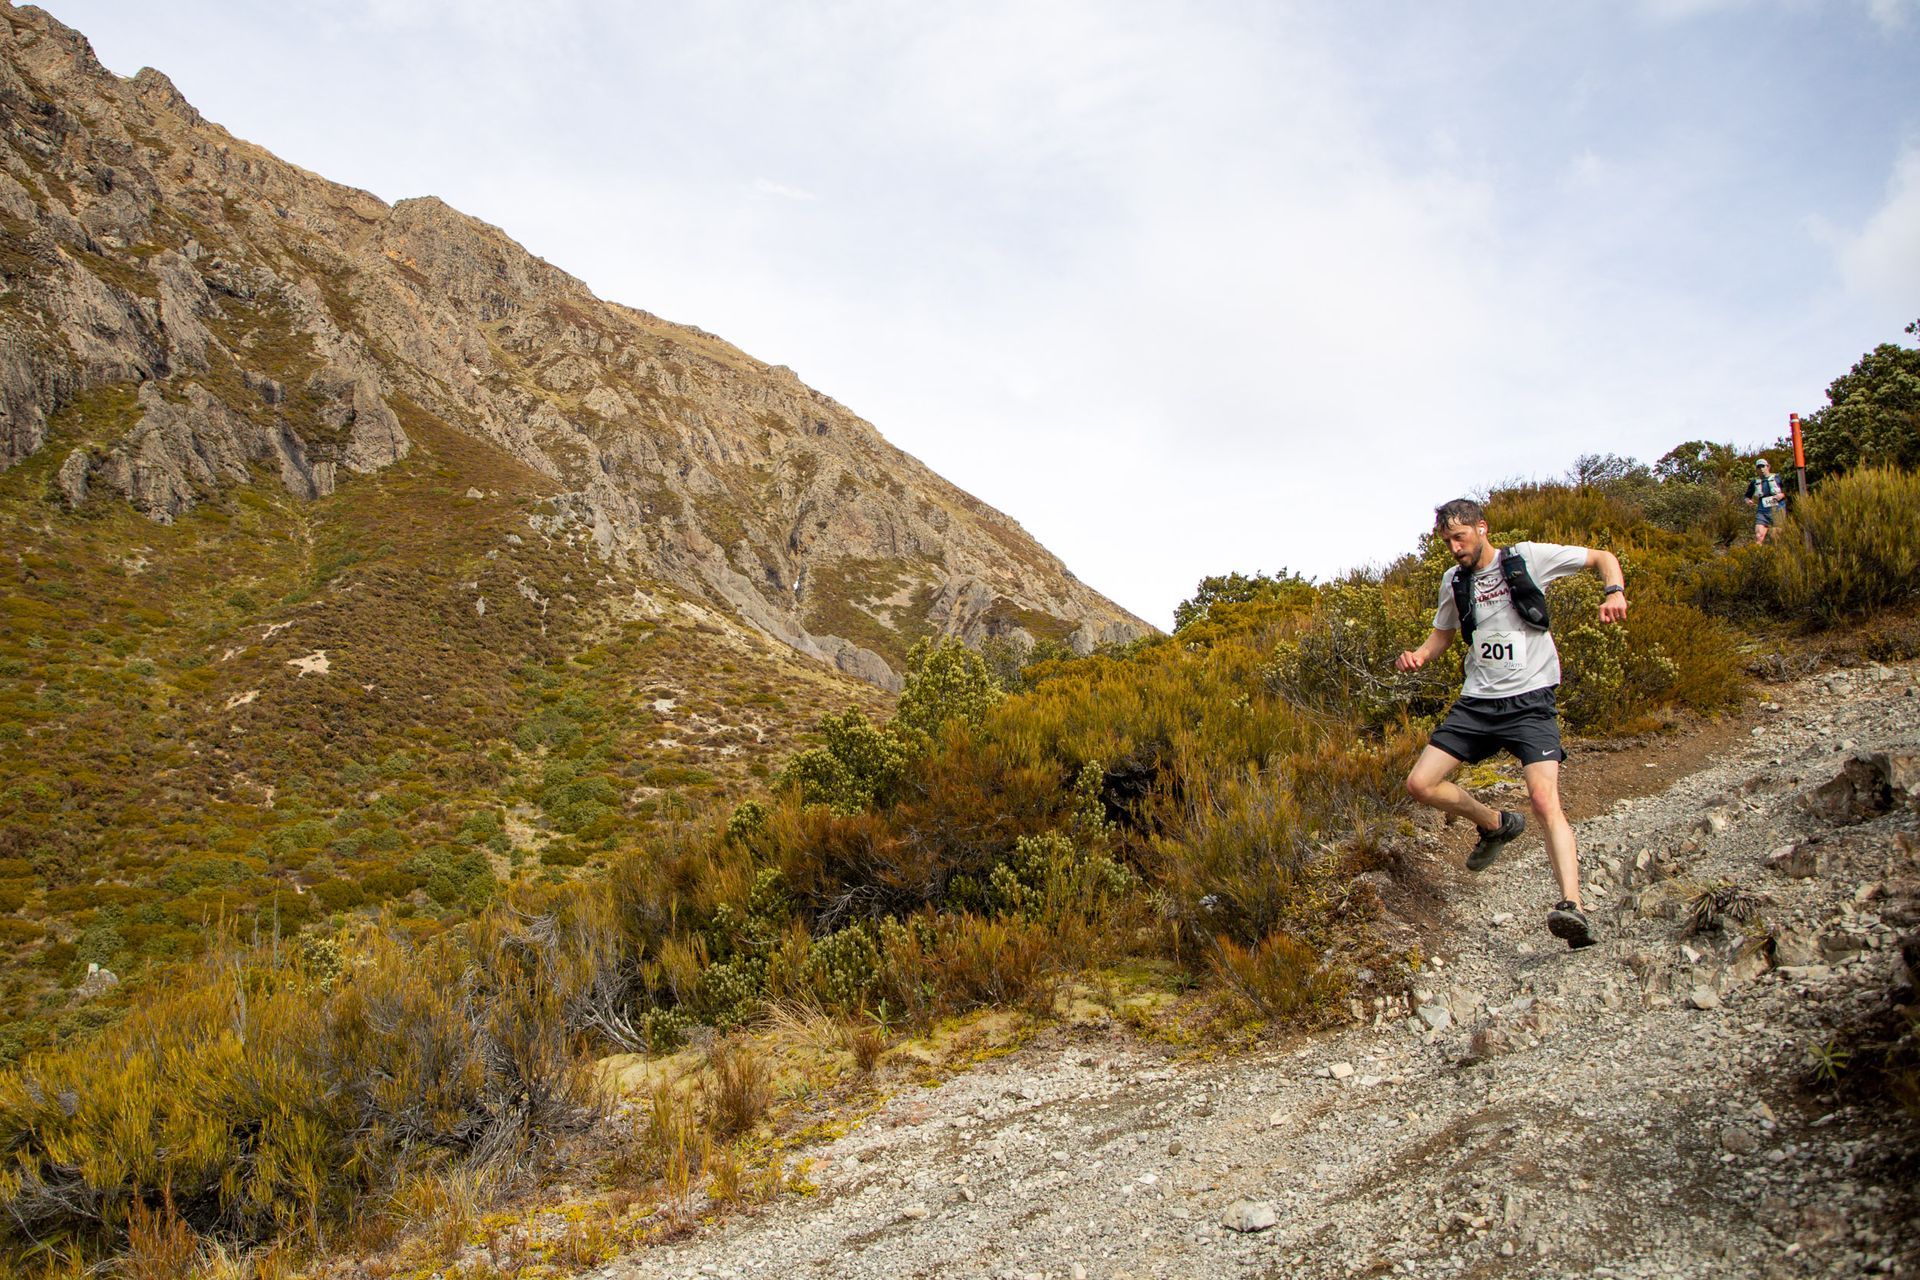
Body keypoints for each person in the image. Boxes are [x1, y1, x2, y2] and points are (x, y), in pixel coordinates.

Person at [1394, 498, 1628, 950]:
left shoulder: (1526, 558)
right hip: (1477, 702)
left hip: (1530, 701)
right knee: (1420, 785)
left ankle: (1572, 907)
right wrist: (1422, 655)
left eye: (1460, 537)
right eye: (1447, 541)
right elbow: (1444, 631)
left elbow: (1603, 559)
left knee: (1544, 800)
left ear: (1482, 527)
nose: (1455, 548)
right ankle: (1496, 823)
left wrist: (1613, 591)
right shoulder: (1454, 580)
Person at [1744, 458, 1786, 544]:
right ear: (1756, 470)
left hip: (1777, 511)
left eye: (1763, 466)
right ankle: (1757, 555)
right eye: (1759, 467)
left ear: (1768, 467)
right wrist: (1748, 501)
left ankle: (1777, 556)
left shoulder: (1777, 477)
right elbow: (1747, 496)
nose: (1761, 469)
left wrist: (1782, 495)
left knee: (1776, 537)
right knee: (1759, 536)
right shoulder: (1755, 482)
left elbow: (1789, 490)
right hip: (1762, 512)